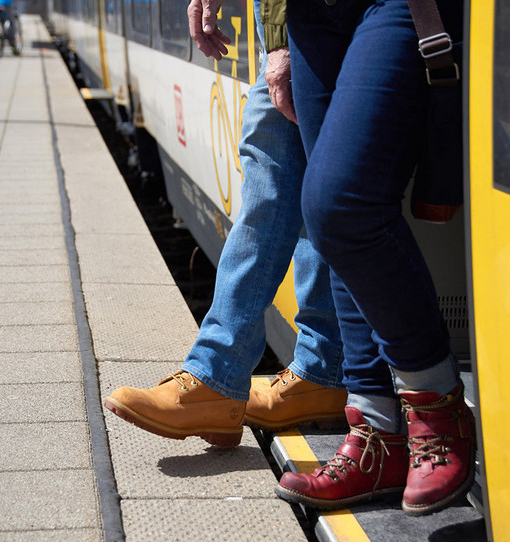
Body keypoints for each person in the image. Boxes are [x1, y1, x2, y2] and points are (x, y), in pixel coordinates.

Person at [185, 0, 475, 516]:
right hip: (310, 15)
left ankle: (437, 404)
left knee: (339, 205)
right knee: (329, 227)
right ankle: (376, 433)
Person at [102, 0, 347, 448]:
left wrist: (281, 43)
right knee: (308, 190)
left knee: (277, 187)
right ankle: (319, 369)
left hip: (304, 22)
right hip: (291, 24)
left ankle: (219, 373)